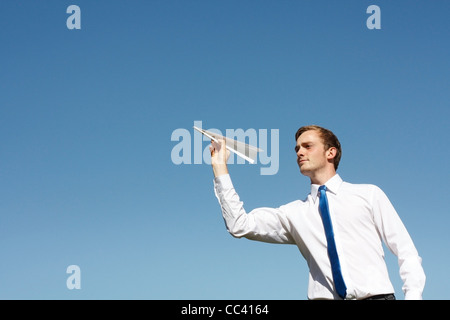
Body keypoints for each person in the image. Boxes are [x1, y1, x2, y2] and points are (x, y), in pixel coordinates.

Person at [209, 125, 425, 300]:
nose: (299, 152)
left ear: (331, 152)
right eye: (297, 149)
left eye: (307, 146)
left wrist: (413, 295)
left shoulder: (368, 194)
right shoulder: (292, 213)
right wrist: (220, 167)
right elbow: (239, 225)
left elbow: (405, 249)